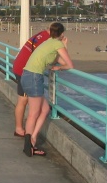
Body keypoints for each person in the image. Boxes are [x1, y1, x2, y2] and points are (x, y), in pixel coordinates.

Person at [21, 22, 74, 157]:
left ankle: (32, 139)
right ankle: (29, 146)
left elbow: (59, 60)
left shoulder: (48, 42)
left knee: (45, 110)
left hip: (27, 75)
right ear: (62, 33)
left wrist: (62, 51)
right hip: (33, 77)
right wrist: (59, 67)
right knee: (34, 113)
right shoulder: (57, 44)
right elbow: (69, 65)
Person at [12, 28, 50, 137]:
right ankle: (19, 129)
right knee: (23, 100)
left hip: (18, 66)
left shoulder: (41, 34)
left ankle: (19, 128)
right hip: (24, 71)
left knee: (23, 100)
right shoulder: (47, 41)